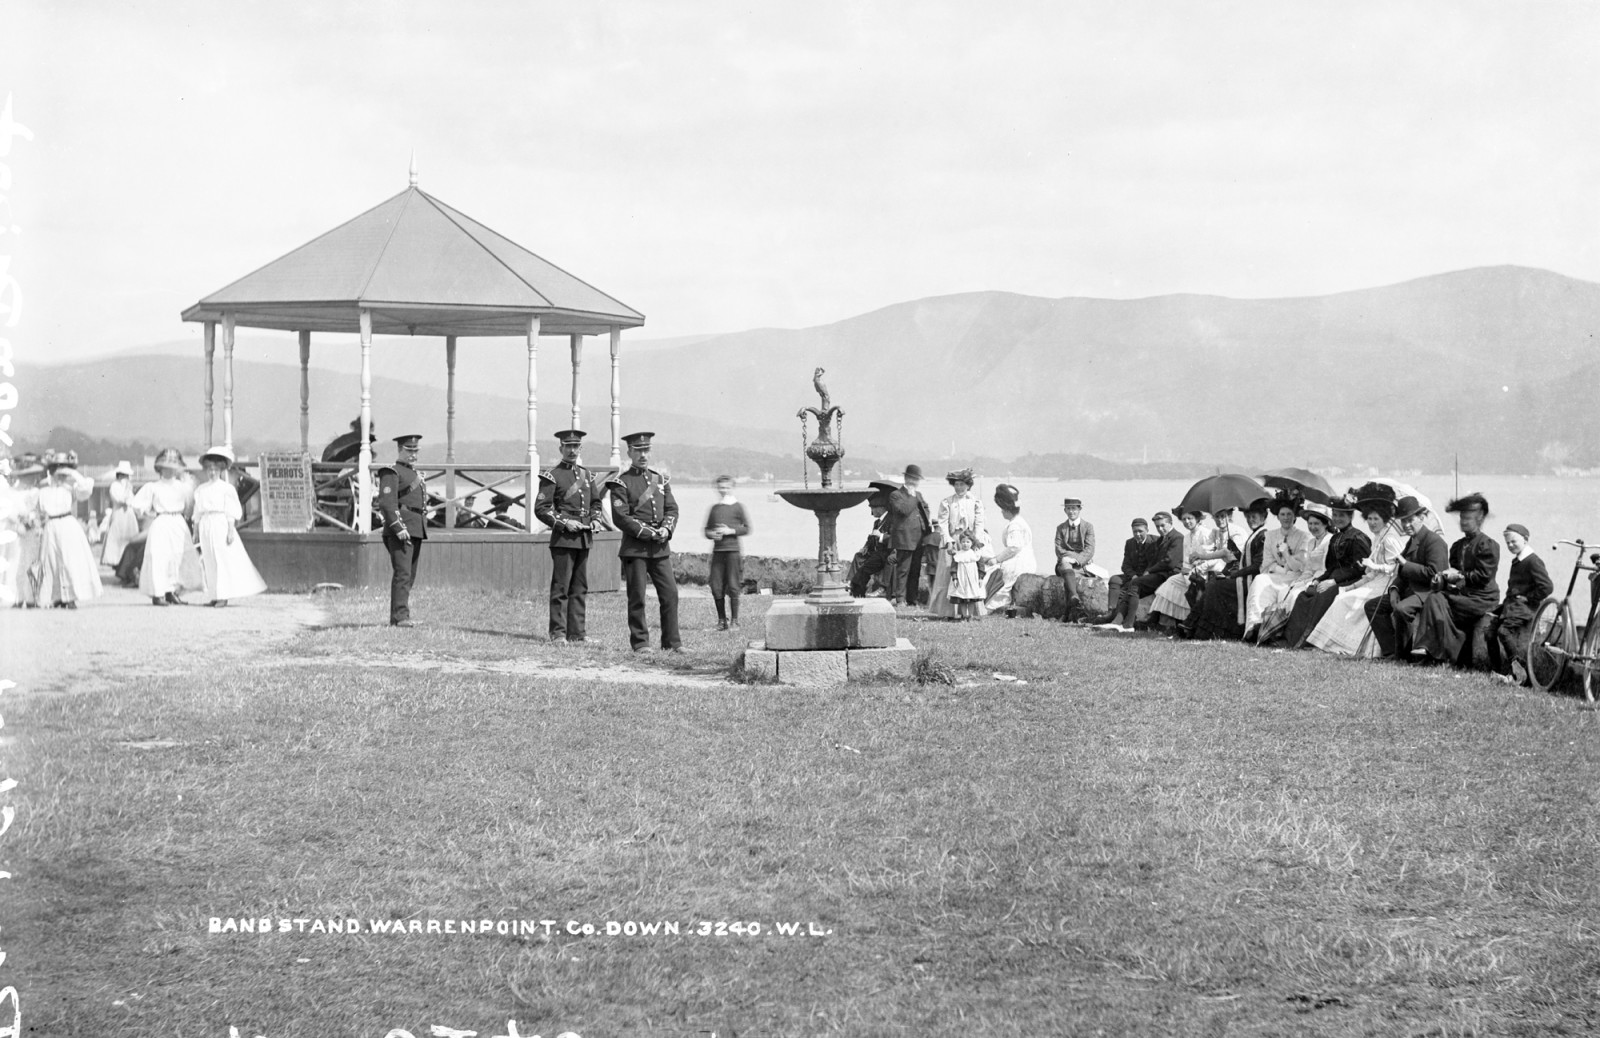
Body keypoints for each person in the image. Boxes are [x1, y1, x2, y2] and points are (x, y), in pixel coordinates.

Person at [1307, 486, 1408, 657]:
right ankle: (1335, 643)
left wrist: (1375, 566)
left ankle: (1360, 648)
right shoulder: (1377, 538)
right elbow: (1369, 575)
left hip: (1388, 583)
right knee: (1343, 596)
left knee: (1349, 599)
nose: (1372, 523)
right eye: (1369, 518)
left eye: (1376, 519)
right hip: (1375, 581)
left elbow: (1397, 568)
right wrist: (1351, 586)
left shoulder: (1389, 540)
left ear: (1384, 520)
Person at [607, 431, 682, 653]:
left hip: (660, 549)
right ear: (629, 452)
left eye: (646, 450)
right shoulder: (621, 483)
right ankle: (640, 643)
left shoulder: (660, 480)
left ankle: (672, 642)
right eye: (638, 450)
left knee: (670, 594)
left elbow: (672, 509)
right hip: (635, 549)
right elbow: (621, 518)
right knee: (637, 597)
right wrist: (650, 533)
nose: (643, 454)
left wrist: (666, 529)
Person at [533, 430, 607, 643]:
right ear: (561, 449)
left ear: (580, 448)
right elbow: (542, 508)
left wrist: (595, 519)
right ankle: (558, 633)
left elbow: (595, 503)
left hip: (584, 537)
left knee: (580, 587)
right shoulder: (552, 476)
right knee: (561, 587)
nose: (572, 450)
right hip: (564, 538)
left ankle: (577, 633)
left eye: (576, 446)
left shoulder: (586, 475)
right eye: (568, 446)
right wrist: (565, 522)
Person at [1413, 493, 1500, 667]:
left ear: (1479, 519)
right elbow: (1452, 578)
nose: (1463, 522)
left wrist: (1458, 576)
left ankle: (1439, 653)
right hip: (1464, 597)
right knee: (1435, 597)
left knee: (1438, 601)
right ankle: (1433, 651)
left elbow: (1483, 577)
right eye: (1461, 518)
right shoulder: (1457, 546)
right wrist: (1442, 580)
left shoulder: (1487, 545)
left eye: (1468, 518)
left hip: (1482, 599)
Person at [1363, 495, 1449, 659]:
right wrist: (1394, 589)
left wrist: (1405, 563)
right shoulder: (1411, 541)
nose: (1406, 525)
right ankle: (1390, 651)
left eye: (1410, 520)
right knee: (1373, 606)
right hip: (1410, 590)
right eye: (1403, 521)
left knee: (1401, 609)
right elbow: (1402, 573)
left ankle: (1405, 654)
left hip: (1427, 593)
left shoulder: (1434, 542)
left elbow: (1435, 574)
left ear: (1421, 518)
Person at [1284, 494, 1372, 648]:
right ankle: (1292, 638)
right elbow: (1330, 567)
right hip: (1333, 578)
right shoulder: (1335, 538)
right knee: (1304, 596)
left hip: (1352, 581)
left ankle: (1309, 640)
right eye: (1335, 515)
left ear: (1351, 516)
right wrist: (1319, 579)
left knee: (1322, 595)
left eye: (1342, 515)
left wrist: (1333, 581)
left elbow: (1360, 568)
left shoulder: (1358, 537)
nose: (1338, 519)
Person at [1187, 498, 1273, 640]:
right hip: (1245, 576)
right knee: (1213, 584)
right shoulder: (1255, 534)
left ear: (1263, 517)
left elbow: (1258, 565)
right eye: (1249, 517)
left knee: (1215, 586)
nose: (1251, 520)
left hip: (1254, 580)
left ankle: (1208, 630)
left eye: (1254, 517)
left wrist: (1235, 574)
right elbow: (1239, 557)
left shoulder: (1263, 536)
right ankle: (1192, 625)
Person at [193, 445, 267, 607]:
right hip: (206, 523)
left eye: (215, 469)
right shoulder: (201, 490)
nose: (212, 472)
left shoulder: (226, 489)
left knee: (221, 558)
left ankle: (223, 595)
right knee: (210, 559)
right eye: (209, 469)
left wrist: (230, 529)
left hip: (220, 522)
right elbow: (197, 512)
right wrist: (196, 530)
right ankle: (214, 595)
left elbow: (231, 511)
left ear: (220, 470)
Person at [1256, 502, 1334, 644]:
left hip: (1322, 578)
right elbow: (1308, 568)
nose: (1313, 527)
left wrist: (1311, 581)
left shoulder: (1329, 541)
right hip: (1309, 577)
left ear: (1325, 524)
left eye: (1316, 524)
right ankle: (1276, 631)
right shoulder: (1311, 542)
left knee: (1294, 595)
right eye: (1310, 524)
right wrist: (1298, 581)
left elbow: (1327, 567)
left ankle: (1293, 637)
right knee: (1284, 592)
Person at [133, 448, 201, 606]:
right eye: (165, 467)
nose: (169, 470)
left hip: (178, 521)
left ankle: (172, 591)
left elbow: (190, 506)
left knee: (177, 557)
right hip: (162, 522)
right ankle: (158, 594)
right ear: (159, 468)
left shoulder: (183, 487)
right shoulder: (153, 487)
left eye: (172, 467)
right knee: (159, 557)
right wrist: (149, 511)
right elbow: (137, 505)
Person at [1487, 523, 1554, 683]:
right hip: (1511, 607)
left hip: (1524, 609)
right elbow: (1513, 590)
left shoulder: (1532, 561)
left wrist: (1529, 597)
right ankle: (1496, 669)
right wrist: (1499, 610)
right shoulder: (1517, 560)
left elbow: (1547, 587)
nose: (1510, 545)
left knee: (1503, 631)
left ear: (1525, 540)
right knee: (1489, 633)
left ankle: (1520, 668)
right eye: (1508, 543)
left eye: (1513, 542)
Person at [36, 450, 103, 609]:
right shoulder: (43, 490)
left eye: (64, 469)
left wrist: (72, 471)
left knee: (69, 560)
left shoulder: (70, 488)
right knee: (51, 561)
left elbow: (86, 489)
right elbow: (38, 509)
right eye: (58, 468)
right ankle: (56, 596)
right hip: (50, 526)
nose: (61, 473)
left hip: (67, 525)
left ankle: (71, 597)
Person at [376, 434, 428, 627]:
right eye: (409, 450)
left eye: (415, 451)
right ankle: (400, 617)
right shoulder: (391, 472)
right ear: (400, 450)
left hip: (415, 528)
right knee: (403, 574)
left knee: (409, 575)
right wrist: (398, 527)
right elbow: (387, 503)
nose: (413, 454)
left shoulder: (413, 474)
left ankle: (399, 616)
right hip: (403, 530)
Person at [1149, 506, 1228, 634]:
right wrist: (1186, 572)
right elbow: (1186, 560)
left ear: (1197, 519)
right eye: (1184, 519)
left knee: (1192, 586)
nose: (1187, 522)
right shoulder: (1186, 537)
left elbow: (1214, 558)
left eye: (1190, 518)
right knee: (1170, 583)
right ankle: (1176, 622)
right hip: (1192, 572)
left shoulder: (1207, 533)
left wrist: (1197, 569)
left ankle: (1193, 624)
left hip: (1210, 571)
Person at [1243, 494, 1310, 641]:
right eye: (1282, 514)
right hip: (1277, 574)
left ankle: (1274, 630)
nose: (1286, 518)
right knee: (1260, 580)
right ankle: (1256, 624)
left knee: (1286, 591)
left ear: (1294, 517)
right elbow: (1266, 563)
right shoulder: (1270, 535)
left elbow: (1300, 566)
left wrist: (1286, 554)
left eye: (1289, 514)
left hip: (1295, 577)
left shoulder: (1303, 537)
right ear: (1278, 517)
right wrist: (1282, 569)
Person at [927, 468, 987, 620]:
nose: (959, 488)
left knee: (970, 573)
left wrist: (976, 540)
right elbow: (942, 522)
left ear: (968, 485)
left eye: (962, 484)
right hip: (953, 541)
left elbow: (980, 523)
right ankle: (948, 612)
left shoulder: (976, 502)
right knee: (950, 572)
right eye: (957, 484)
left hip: (969, 540)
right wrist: (948, 540)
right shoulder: (947, 502)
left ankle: (971, 612)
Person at [702, 474, 752, 631]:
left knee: (733, 585)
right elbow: (706, 530)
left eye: (726, 487)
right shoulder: (714, 508)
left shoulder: (738, 507)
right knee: (716, 585)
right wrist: (712, 534)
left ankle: (735, 621)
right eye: (720, 487)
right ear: (717, 488)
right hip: (718, 551)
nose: (723, 490)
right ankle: (722, 621)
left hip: (733, 551)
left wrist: (731, 531)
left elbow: (747, 528)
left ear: (731, 487)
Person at [983, 483, 1037, 615]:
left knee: (998, 583)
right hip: (1023, 560)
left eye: (1002, 509)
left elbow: (1014, 547)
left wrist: (996, 559)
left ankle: (991, 608)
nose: (1001, 512)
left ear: (1007, 510)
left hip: (1018, 563)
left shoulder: (1015, 525)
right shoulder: (1019, 521)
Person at [887, 465, 934, 608]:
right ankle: (900, 599)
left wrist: (927, 530)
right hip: (905, 538)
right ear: (906, 478)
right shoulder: (896, 495)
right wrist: (912, 496)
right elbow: (904, 510)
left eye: (916, 479)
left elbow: (925, 512)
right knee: (903, 570)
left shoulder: (918, 494)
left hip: (919, 538)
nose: (914, 481)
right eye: (912, 478)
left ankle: (912, 600)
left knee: (915, 571)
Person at [4, 455, 45, 607]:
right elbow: (7, 512)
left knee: (31, 563)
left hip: (31, 533)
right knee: (15, 564)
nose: (34, 478)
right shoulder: (9, 493)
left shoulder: (35, 493)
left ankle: (31, 598)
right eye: (30, 475)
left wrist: (34, 521)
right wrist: (18, 522)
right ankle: (16, 597)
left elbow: (38, 512)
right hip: (15, 533)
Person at [848, 481, 900, 598]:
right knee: (859, 558)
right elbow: (871, 538)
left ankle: (860, 589)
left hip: (887, 553)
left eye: (873, 508)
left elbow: (896, 538)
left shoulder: (892, 520)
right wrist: (866, 547)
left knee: (866, 568)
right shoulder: (877, 522)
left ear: (881, 508)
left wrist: (880, 536)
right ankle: (854, 587)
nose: (872, 512)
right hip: (877, 554)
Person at [1052, 497, 1096, 622]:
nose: (1071, 511)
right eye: (1068, 509)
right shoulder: (1060, 528)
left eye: (1074, 509)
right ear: (1065, 510)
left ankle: (1067, 614)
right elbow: (1058, 549)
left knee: (1069, 577)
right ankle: (1075, 599)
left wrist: (1076, 560)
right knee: (1066, 565)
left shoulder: (1088, 527)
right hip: (1064, 563)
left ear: (1080, 509)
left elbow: (1090, 550)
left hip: (1081, 564)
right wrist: (1069, 558)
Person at [101, 460, 140, 568]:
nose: (125, 478)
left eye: (126, 476)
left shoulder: (128, 487)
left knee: (129, 538)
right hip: (119, 514)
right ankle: (117, 563)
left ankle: (128, 564)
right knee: (117, 538)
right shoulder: (115, 486)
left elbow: (132, 500)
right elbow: (120, 499)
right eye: (124, 475)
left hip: (129, 515)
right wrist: (127, 490)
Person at [949, 530, 985, 621]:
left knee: (972, 597)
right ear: (960, 542)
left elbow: (981, 566)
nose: (965, 544)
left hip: (972, 579)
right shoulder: (958, 554)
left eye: (968, 542)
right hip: (961, 578)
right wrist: (954, 578)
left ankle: (971, 616)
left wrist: (980, 578)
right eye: (963, 542)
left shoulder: (975, 554)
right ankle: (965, 615)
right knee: (962, 598)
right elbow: (954, 567)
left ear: (972, 543)